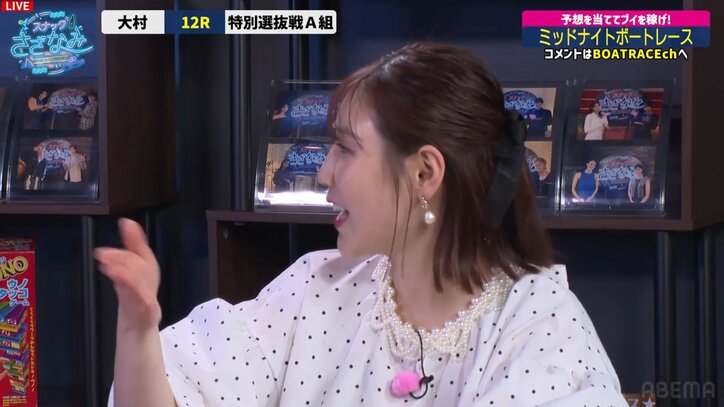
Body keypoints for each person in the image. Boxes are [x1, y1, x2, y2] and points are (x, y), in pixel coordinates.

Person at [96, 42, 627, 406]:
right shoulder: (314, 290)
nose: (324, 171)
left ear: (424, 173)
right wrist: (138, 330)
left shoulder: (537, 323)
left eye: (345, 149)